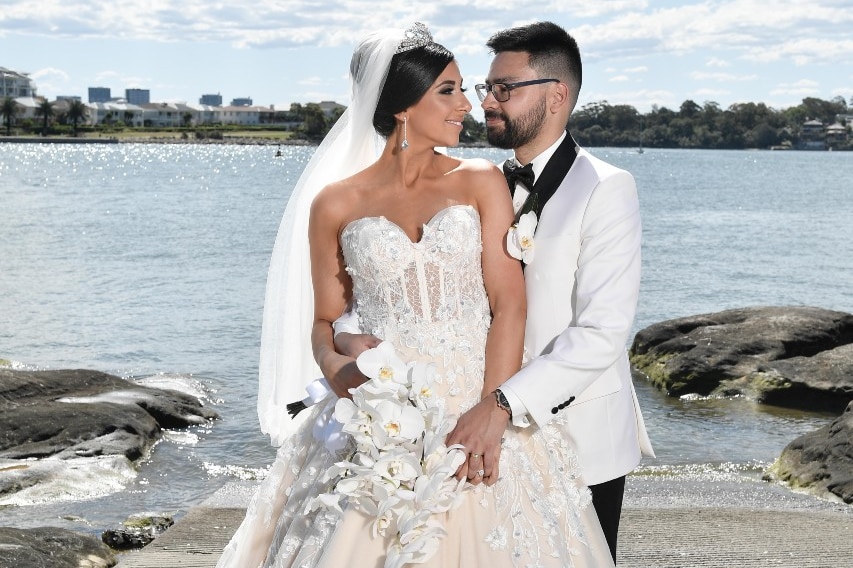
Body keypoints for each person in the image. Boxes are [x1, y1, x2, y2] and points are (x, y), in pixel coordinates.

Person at [216, 23, 614, 568]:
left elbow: (508, 306)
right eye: (447, 91)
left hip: (476, 397)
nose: (468, 106)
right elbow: (325, 321)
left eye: (463, 89)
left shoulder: (479, 181)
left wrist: (491, 410)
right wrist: (335, 369)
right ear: (403, 106)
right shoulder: (333, 203)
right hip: (380, 413)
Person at [337, 21, 655, 564]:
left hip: (575, 435)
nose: (487, 102)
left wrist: (502, 404)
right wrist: (352, 342)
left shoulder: (606, 187)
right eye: (486, 88)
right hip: (461, 417)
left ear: (557, 95)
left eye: (504, 89)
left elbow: (601, 332)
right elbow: (388, 290)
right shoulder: (474, 181)